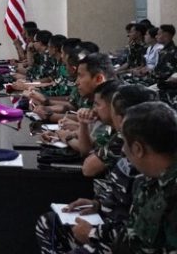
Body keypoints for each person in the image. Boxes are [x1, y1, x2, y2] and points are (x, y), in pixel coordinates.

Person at [35, 84, 158, 254]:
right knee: (49, 222)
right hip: (109, 220)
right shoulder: (124, 138)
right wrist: (97, 204)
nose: (94, 109)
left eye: (99, 104)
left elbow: (137, 233)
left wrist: (93, 234)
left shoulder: (144, 155)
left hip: (120, 238)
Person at [116, 101, 177, 252]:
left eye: (124, 142)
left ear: (138, 149)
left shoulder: (172, 194)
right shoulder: (150, 179)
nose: (123, 149)